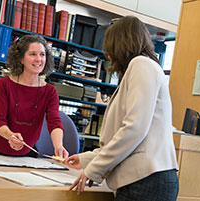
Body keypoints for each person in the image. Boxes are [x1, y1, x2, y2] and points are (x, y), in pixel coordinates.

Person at [65, 16, 179, 200]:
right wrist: (88, 159)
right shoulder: (143, 67)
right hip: (147, 180)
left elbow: (133, 129)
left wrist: (95, 169)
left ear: (121, 43)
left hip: (145, 181)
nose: (108, 54)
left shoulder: (141, 65)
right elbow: (124, 134)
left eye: (110, 47)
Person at [0, 35, 69, 159]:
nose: (38, 59)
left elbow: (54, 122)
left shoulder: (50, 91)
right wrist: (10, 136)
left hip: (27, 155)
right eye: (32, 54)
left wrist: (58, 146)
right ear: (21, 59)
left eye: (42, 54)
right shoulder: (4, 84)